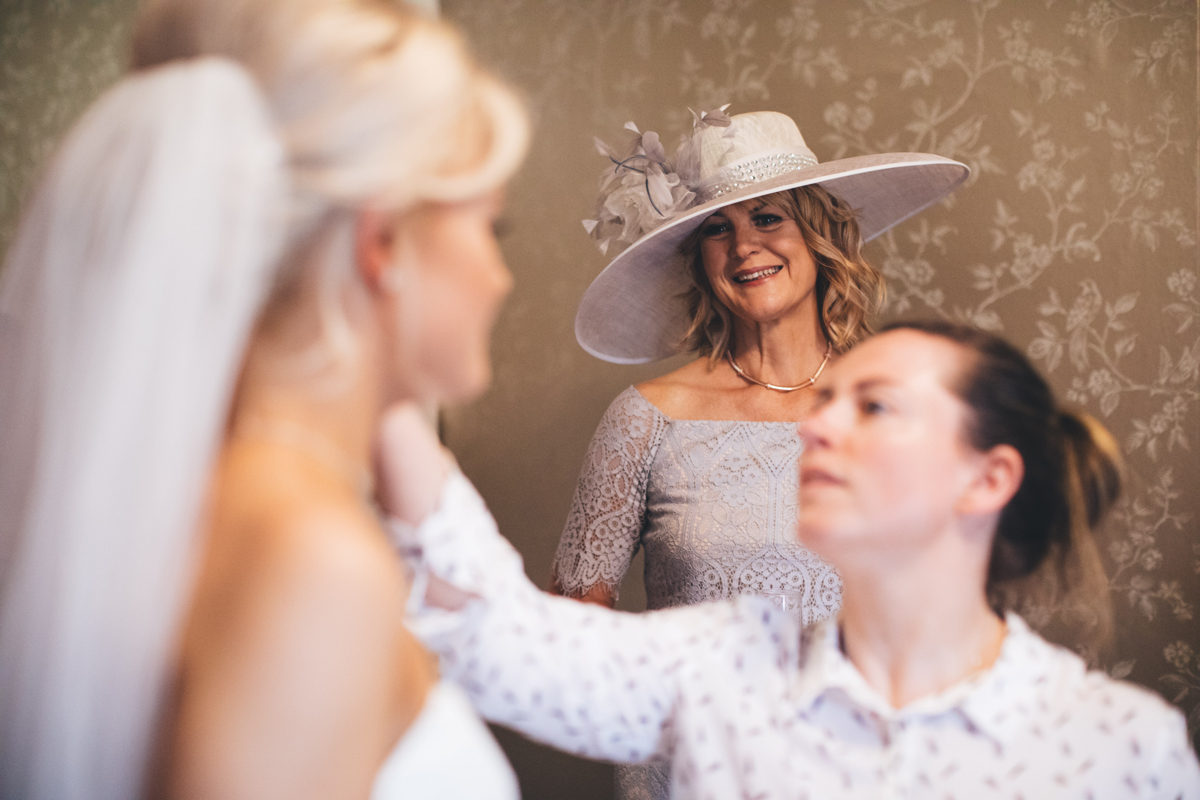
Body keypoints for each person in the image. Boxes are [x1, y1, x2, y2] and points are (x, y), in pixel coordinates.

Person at [0, 1, 528, 798]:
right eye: (494, 225)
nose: (501, 275)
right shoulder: (314, 557)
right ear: (382, 243)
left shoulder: (199, 500)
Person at [380, 321, 1200, 799]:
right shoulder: (715, 669)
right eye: (825, 400)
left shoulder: (1123, 749)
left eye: (873, 405)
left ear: (987, 479)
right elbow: (497, 630)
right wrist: (373, 374)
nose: (814, 426)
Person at [551, 107, 969, 798]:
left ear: (818, 233)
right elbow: (571, 630)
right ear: (700, 257)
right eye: (718, 228)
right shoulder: (645, 419)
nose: (744, 246)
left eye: (768, 218)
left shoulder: (899, 410)